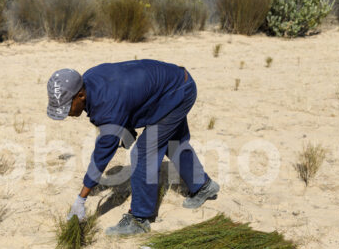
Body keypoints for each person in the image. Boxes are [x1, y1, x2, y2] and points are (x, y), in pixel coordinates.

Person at [46, 60, 219, 236]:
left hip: (175, 93)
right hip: (176, 83)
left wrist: (81, 198)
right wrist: (126, 129)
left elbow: (102, 154)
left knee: (143, 152)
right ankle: (204, 186)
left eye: (67, 107)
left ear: (81, 95)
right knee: (173, 142)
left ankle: (139, 219)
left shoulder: (107, 104)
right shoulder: (89, 79)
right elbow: (125, 98)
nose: (66, 113)